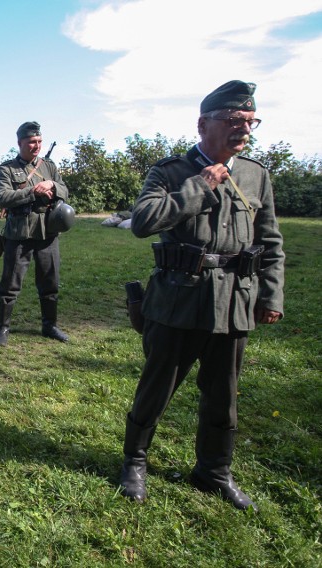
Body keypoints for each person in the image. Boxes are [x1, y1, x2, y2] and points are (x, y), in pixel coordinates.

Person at [118, 80, 284, 511]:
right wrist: (200, 185)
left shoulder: (256, 174)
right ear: (203, 124)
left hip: (234, 301)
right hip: (179, 298)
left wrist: (271, 294)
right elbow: (144, 221)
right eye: (232, 120)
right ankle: (134, 462)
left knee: (223, 394)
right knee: (158, 387)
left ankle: (213, 471)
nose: (242, 129)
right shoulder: (171, 171)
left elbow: (270, 241)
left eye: (249, 121)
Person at [0, 121, 70, 346]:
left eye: (39, 142)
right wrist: (33, 191)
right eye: (31, 142)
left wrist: (52, 186)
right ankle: (3, 328)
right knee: (10, 284)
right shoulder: (7, 168)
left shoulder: (50, 167)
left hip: (48, 231)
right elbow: (3, 197)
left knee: (50, 281)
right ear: (20, 143)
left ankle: (50, 326)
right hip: (19, 232)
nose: (35, 146)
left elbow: (65, 191)